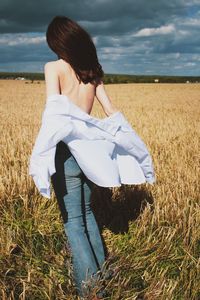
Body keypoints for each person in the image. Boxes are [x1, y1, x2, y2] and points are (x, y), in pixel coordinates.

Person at [45, 15, 119, 299]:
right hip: (90, 153)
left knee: (73, 221)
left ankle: (91, 292)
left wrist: (41, 153)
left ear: (57, 42)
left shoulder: (54, 68)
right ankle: (104, 273)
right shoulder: (92, 72)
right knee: (87, 214)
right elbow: (111, 112)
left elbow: (54, 113)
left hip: (65, 151)